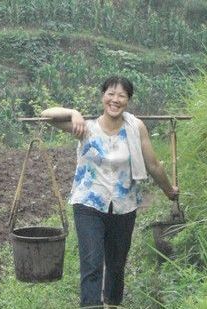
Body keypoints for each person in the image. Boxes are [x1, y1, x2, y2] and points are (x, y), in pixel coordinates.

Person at [41, 76, 179, 308]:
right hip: (89, 205)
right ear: (103, 96)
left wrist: (169, 191)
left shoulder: (136, 128)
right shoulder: (86, 128)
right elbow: (46, 115)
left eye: (121, 95)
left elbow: (153, 165)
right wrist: (74, 112)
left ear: (128, 100)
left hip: (124, 205)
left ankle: (113, 304)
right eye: (110, 94)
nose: (115, 100)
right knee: (92, 264)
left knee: (116, 265)